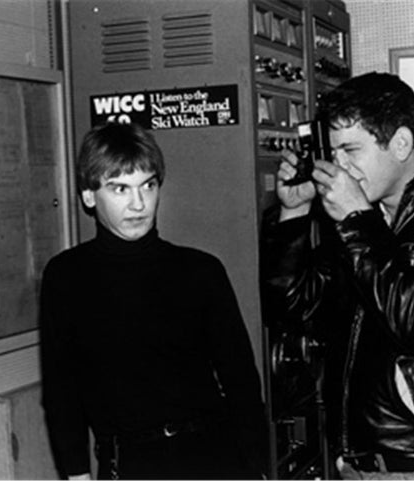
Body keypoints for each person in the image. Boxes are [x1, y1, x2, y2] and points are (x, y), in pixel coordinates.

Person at [261, 72, 414, 479]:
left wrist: (357, 220)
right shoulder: (371, 218)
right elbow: (291, 307)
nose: (339, 165)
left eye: (351, 149)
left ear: (401, 144)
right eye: (334, 151)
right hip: (360, 464)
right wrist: (292, 213)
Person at [39, 122, 268, 480]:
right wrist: (76, 473)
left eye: (148, 185)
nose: (138, 203)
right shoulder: (67, 277)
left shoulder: (200, 271)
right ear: (88, 195)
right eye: (120, 189)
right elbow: (61, 392)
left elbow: (242, 383)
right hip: (128, 464)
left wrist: (258, 470)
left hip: (213, 460)